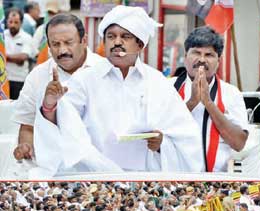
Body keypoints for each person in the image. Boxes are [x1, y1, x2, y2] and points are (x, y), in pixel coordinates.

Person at [33, 5, 203, 174]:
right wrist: (50, 104)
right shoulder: (84, 80)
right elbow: (63, 126)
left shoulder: (157, 82)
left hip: (145, 180)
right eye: (111, 36)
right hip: (95, 178)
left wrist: (162, 144)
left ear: (140, 44)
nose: (117, 42)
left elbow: (186, 137)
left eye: (125, 36)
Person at [12, 14, 103, 162]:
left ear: (84, 41)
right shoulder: (37, 76)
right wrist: (26, 146)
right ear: (48, 45)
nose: (62, 51)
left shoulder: (105, 71)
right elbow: (27, 125)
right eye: (55, 44)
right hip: (54, 169)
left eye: (68, 42)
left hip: (102, 169)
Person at [174, 27, 248, 172]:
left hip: (216, 180)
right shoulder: (166, 87)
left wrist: (208, 103)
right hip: (175, 176)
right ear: (185, 55)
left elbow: (238, 143)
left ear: (219, 61)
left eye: (209, 55)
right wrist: (192, 102)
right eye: (196, 52)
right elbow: (159, 135)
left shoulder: (232, 93)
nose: (202, 60)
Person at [4, 8, 33, 100]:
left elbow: (22, 57)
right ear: (6, 22)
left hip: (19, 80)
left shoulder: (27, 37)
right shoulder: (2, 36)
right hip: (3, 80)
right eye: (10, 22)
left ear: (21, 22)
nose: (13, 25)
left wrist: (4, 56)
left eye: (16, 22)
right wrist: (14, 59)